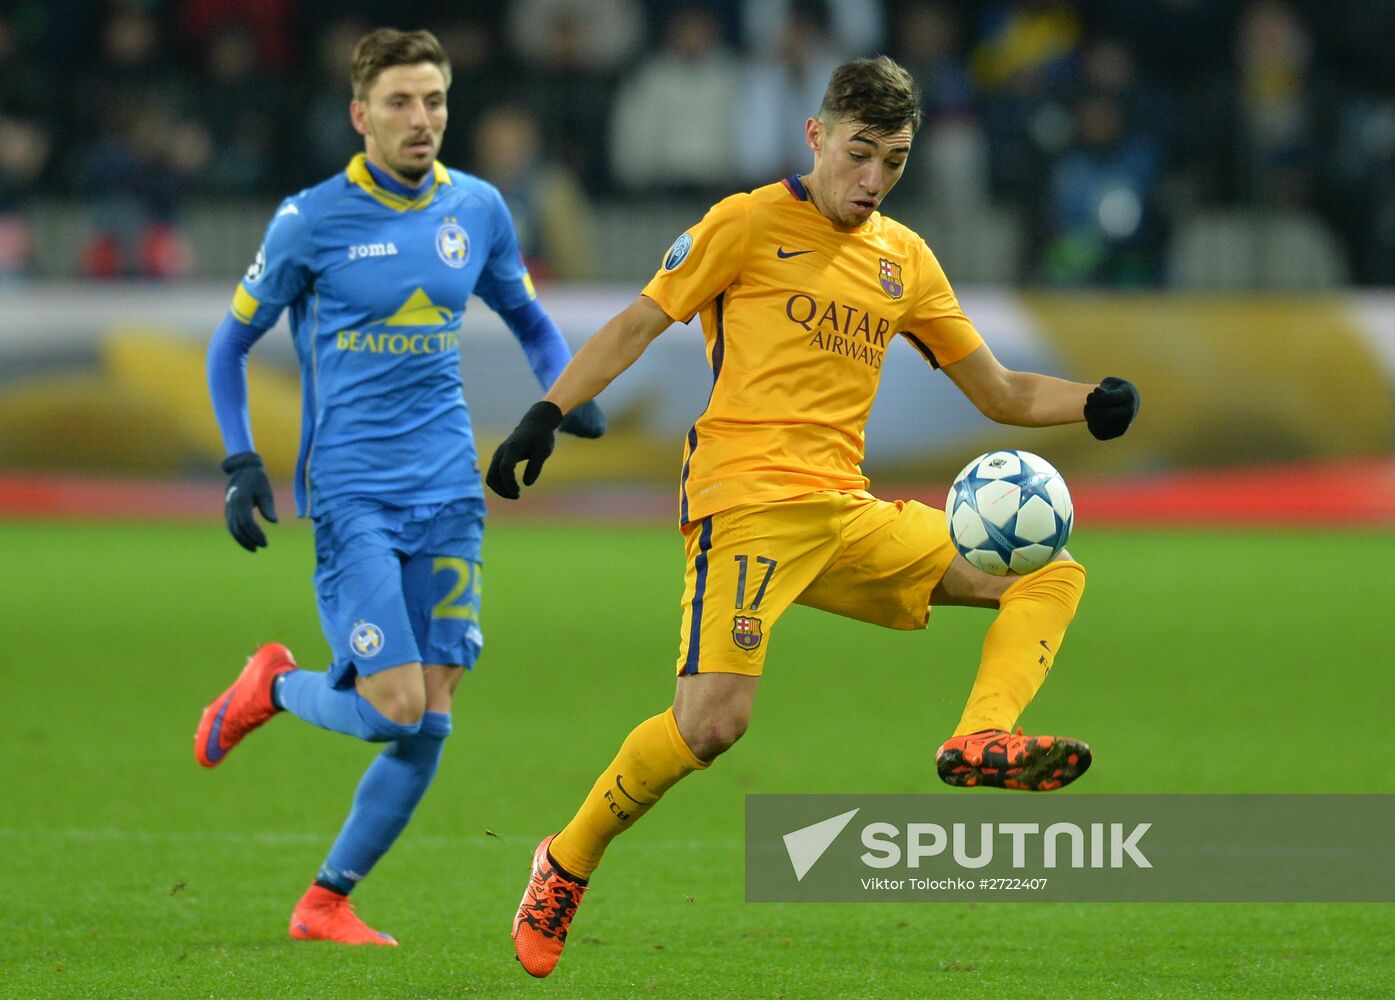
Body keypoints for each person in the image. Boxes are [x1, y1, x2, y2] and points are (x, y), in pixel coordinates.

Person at [486, 55, 1139, 977]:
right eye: (860, 153)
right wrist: (545, 413)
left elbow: (996, 390)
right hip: (744, 505)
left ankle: (979, 734)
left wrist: (1090, 402)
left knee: (1050, 570)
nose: (872, 181)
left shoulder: (903, 259)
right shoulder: (745, 223)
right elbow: (639, 320)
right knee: (712, 726)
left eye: (895, 162)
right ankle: (565, 860)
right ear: (817, 137)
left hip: (842, 510)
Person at [194, 27, 605, 947]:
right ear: (359, 114)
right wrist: (239, 458)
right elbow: (229, 346)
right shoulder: (310, 221)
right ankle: (276, 683)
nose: (421, 120)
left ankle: (325, 901)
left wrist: (564, 396)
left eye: (434, 102)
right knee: (395, 708)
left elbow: (531, 320)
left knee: (434, 713)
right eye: (399, 103)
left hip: (450, 492)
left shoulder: (480, 208)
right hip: (353, 495)